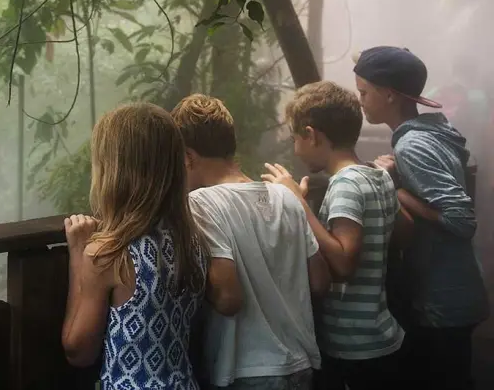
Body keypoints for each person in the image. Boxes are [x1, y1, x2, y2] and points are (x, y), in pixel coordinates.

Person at [171, 94, 329, 390]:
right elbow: (320, 281)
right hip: (301, 364)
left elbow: (229, 299)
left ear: (189, 156)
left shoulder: (201, 203)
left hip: (247, 371)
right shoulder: (285, 196)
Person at [354, 46, 489, 390]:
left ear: (389, 95)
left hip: (442, 300)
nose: (361, 101)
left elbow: (461, 219)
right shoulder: (428, 133)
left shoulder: (413, 145)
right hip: (455, 291)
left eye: (364, 93)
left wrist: (394, 187)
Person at [261, 81, 405, 389]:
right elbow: (405, 235)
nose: (295, 148)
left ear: (311, 135)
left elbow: (343, 264)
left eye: (294, 138)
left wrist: (298, 204)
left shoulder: (345, 184)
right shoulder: (377, 176)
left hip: (353, 344)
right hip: (380, 332)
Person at [61, 102, 207, 389]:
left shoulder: (109, 254)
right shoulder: (192, 242)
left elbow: (78, 351)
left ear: (113, 173)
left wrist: (78, 255)